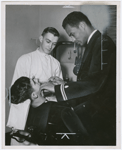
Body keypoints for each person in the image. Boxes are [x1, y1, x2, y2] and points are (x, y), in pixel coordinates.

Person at [40, 11, 116, 145]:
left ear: (82, 25)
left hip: (103, 115)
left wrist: (59, 90)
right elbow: (89, 81)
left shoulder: (103, 43)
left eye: (72, 34)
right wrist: (64, 84)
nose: (73, 39)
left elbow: (94, 83)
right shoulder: (94, 43)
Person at [9, 76, 91, 145]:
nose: (37, 79)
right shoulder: (60, 109)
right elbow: (83, 139)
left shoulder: (28, 115)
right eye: (34, 81)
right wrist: (65, 86)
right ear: (34, 95)